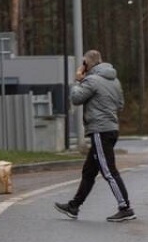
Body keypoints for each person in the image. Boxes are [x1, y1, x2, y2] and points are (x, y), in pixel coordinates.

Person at [55, 49, 135, 222]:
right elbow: (120, 105)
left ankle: (125, 207)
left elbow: (76, 99)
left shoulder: (91, 80)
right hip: (112, 128)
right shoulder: (114, 81)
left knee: (108, 171)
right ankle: (74, 206)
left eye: (84, 63)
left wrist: (77, 80)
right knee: (89, 171)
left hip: (100, 130)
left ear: (87, 64)